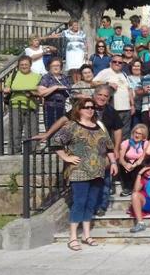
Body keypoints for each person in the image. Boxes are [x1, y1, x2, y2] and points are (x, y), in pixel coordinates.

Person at [35, 85, 123, 217]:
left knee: (104, 180)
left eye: (106, 96)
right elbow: (63, 120)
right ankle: (83, 210)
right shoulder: (83, 108)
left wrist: (115, 149)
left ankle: (100, 207)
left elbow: (118, 130)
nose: (102, 98)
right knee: (83, 185)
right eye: (100, 95)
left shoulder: (111, 111)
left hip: (102, 153)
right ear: (94, 95)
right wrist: (47, 134)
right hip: (82, 155)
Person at [51, 97, 118, 251]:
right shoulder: (72, 127)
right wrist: (66, 157)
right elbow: (56, 142)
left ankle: (86, 234)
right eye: (87, 107)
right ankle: (73, 236)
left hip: (97, 170)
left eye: (92, 107)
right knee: (79, 202)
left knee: (91, 203)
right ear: (79, 109)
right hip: (79, 170)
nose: (90, 109)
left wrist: (113, 163)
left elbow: (109, 147)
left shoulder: (99, 126)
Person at [4, 55, 41, 153]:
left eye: (26, 64)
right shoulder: (14, 75)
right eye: (22, 65)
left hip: (31, 106)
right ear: (19, 66)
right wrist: (7, 89)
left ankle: (32, 151)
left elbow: (41, 92)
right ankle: (14, 151)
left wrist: (32, 93)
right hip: (16, 105)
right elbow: (6, 87)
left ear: (30, 65)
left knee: (32, 130)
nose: (24, 66)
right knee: (15, 129)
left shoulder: (37, 76)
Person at [92, 54, 135, 139]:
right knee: (113, 133)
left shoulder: (124, 74)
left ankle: (122, 151)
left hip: (126, 108)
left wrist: (132, 104)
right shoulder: (106, 72)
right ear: (110, 63)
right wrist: (108, 83)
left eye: (120, 62)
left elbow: (129, 89)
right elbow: (93, 83)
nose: (117, 63)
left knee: (125, 133)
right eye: (115, 61)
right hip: (114, 108)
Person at [37, 57, 71, 131]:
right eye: (53, 66)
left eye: (58, 65)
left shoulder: (65, 78)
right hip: (50, 106)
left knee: (63, 130)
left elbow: (69, 91)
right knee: (51, 129)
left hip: (64, 107)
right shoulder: (47, 77)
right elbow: (40, 92)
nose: (56, 67)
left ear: (61, 67)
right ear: (50, 67)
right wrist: (55, 87)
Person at [118, 124, 150, 196]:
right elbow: (121, 158)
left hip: (139, 164)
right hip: (128, 165)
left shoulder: (145, 143)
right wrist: (125, 164)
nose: (137, 135)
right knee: (123, 166)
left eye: (139, 133)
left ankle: (138, 187)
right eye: (135, 132)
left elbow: (143, 158)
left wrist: (134, 165)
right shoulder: (126, 143)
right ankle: (128, 187)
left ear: (144, 135)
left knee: (141, 165)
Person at [127, 59, 144, 127]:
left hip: (144, 107)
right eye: (134, 66)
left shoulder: (145, 78)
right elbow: (129, 91)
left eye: (138, 66)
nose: (136, 68)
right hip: (133, 107)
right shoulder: (128, 78)